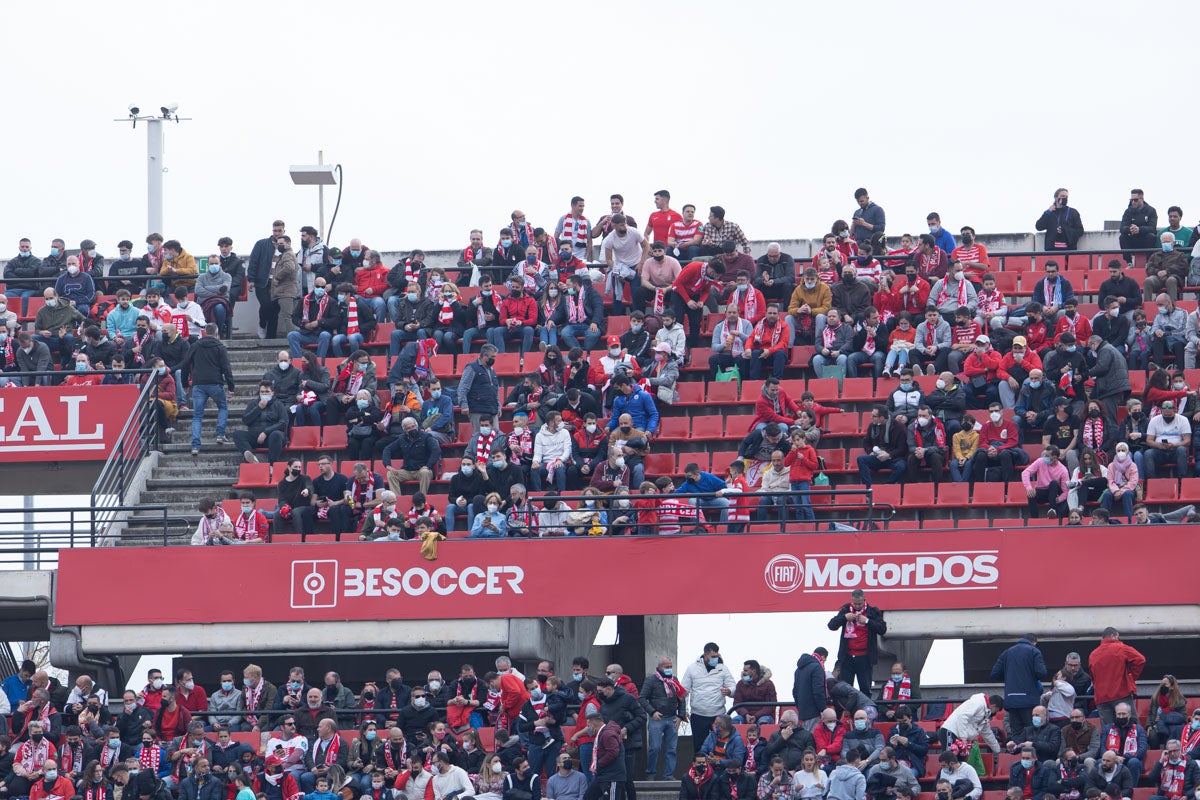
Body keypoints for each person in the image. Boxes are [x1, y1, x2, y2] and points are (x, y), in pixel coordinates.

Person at [179, 325, 235, 457]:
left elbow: (185, 364)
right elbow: (226, 368)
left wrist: (185, 383)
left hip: (198, 384)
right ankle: (220, 435)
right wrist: (231, 387)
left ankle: (195, 445)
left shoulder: (195, 346)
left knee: (197, 416)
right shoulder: (220, 347)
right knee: (222, 407)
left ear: (204, 333)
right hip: (215, 383)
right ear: (216, 333)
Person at [1088, 629, 1146, 726]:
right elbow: (1140, 660)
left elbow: (1093, 677)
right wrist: (1131, 677)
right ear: (1114, 636)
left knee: (1109, 730)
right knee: (1132, 727)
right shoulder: (1121, 647)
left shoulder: (1093, 654)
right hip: (1121, 694)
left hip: (1102, 698)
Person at [233, 382, 289, 464]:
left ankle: (272, 465)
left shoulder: (278, 404)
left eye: (267, 392)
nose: (264, 394)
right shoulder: (253, 404)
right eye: (262, 392)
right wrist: (258, 408)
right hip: (255, 436)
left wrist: (266, 432)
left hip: (272, 437)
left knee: (276, 434)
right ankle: (252, 459)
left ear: (272, 393)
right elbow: (246, 420)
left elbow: (283, 422)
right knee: (237, 434)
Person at [858, 405, 908, 486]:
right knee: (861, 459)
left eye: (874, 416)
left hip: (894, 458)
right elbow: (866, 442)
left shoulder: (899, 427)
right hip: (878, 456)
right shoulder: (872, 426)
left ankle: (887, 486)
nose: (871, 418)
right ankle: (868, 488)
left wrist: (889, 455)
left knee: (901, 466)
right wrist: (870, 452)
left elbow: (903, 448)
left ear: (882, 418)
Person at [582, 712, 625, 800]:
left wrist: (599, 764)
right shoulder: (603, 733)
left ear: (592, 724)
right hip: (603, 775)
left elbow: (613, 752)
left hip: (612, 776)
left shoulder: (607, 734)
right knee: (588, 797)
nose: (588, 729)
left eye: (588, 726)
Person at [1144, 399, 1190, 479]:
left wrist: (1174, 445)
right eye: (1165, 415)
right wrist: (1159, 445)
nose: (1167, 417)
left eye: (1169, 415)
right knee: (1148, 453)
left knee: (1182, 450)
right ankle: (1152, 482)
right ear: (1161, 411)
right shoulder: (1154, 420)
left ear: (1175, 410)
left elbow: (1187, 441)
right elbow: (1149, 440)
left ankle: (1181, 480)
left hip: (1175, 451)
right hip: (1160, 451)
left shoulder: (1183, 420)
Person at [1099, 703, 1147, 780]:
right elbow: (1102, 748)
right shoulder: (1107, 728)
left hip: (1131, 760)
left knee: (1134, 762)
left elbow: (1142, 749)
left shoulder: (1139, 729)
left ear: (1129, 714)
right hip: (1112, 760)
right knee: (1099, 762)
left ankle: (1131, 790)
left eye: (1123, 714)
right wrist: (1113, 758)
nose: (1121, 716)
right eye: (1119, 714)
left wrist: (1125, 757)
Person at [1022, 446, 1071, 520]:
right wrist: (1029, 488)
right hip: (1042, 491)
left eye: (1047, 456)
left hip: (1055, 493)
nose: (1045, 457)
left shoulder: (1063, 470)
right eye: (1045, 455)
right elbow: (1025, 472)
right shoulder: (1040, 461)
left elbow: (1065, 491)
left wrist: (1060, 499)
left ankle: (1052, 511)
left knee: (1053, 483)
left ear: (1054, 457)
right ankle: (1034, 519)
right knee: (1031, 494)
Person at [907, 405, 948, 484]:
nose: (921, 418)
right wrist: (918, 450)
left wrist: (925, 450)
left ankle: (937, 485)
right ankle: (912, 484)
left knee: (935, 457)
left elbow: (940, 447)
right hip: (919, 453)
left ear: (930, 416)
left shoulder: (939, 426)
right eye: (919, 416)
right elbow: (911, 446)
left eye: (924, 416)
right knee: (911, 458)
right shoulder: (911, 427)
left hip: (934, 454)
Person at [1143, 231, 1189, 300]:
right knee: (1148, 281)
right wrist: (1158, 272)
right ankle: (1147, 305)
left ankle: (1173, 306)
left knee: (1171, 280)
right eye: (1163, 242)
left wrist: (1167, 272)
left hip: (1174, 278)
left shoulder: (1180, 255)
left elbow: (1183, 269)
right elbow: (1149, 268)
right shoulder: (1155, 255)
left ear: (1173, 243)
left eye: (1168, 242)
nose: (1165, 244)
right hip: (1158, 278)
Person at [1119, 189, 1158, 261]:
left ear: (1142, 199)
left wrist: (1139, 229)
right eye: (1131, 200)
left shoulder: (1151, 210)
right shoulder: (1128, 211)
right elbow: (1122, 228)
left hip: (1146, 240)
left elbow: (1152, 228)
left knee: (1151, 236)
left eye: (1135, 200)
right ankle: (1129, 262)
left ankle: (1148, 262)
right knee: (1122, 237)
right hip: (1133, 240)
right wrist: (1129, 229)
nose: (1133, 202)